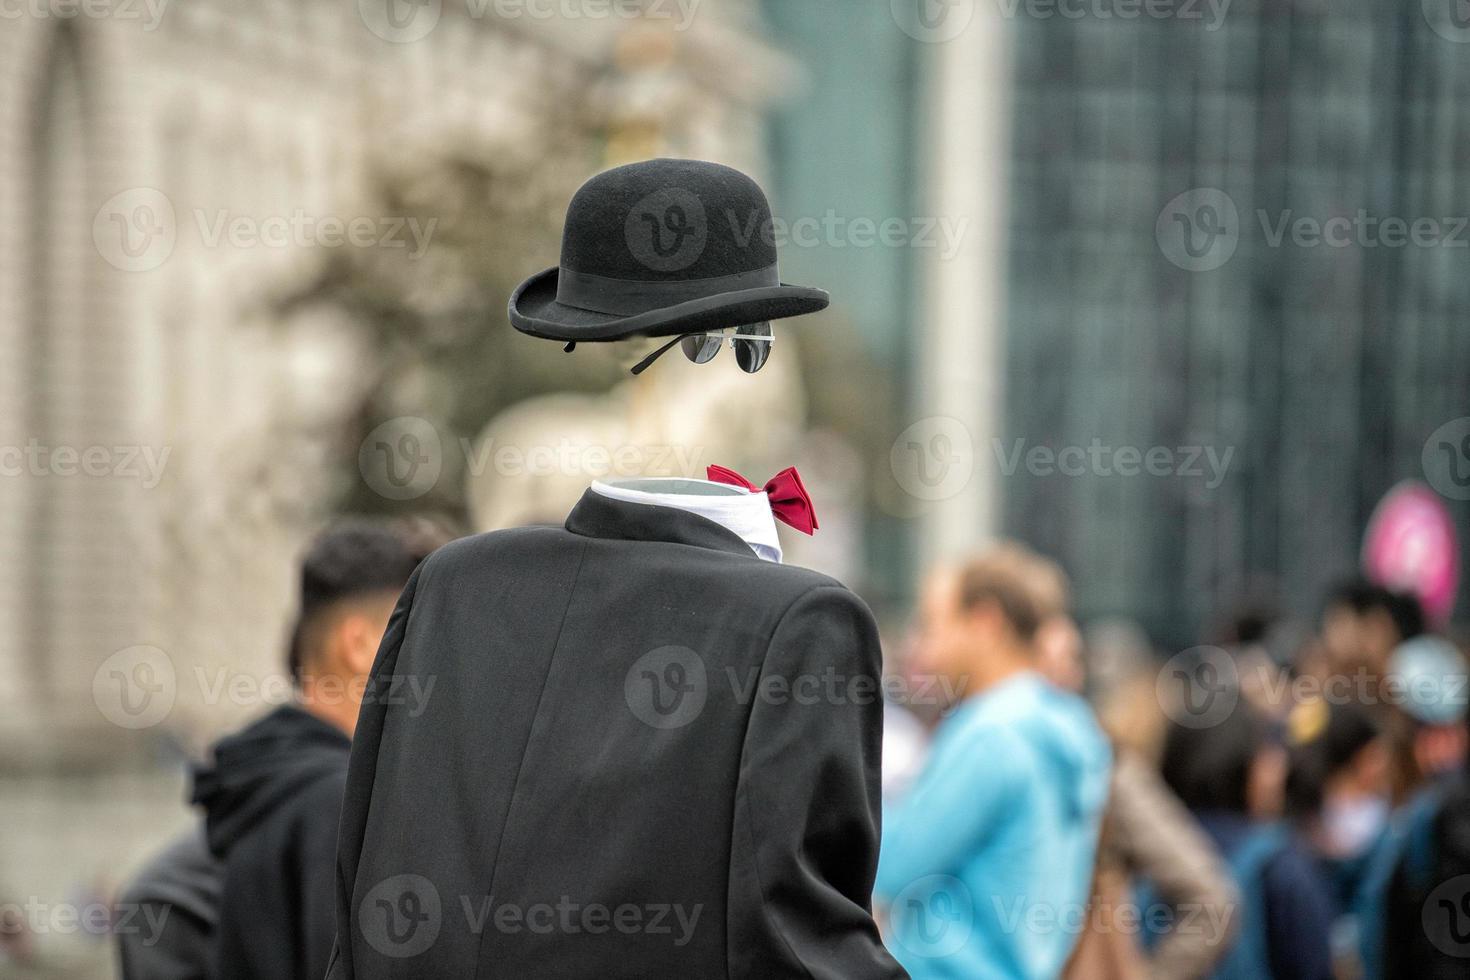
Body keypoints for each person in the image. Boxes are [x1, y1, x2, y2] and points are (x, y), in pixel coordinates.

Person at [187, 519, 440, 980]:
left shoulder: (266, 781)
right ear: (361, 644)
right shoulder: (340, 799)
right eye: (419, 629)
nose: (439, 657)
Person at [875, 548, 1111, 979]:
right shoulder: (1068, 725)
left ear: (985, 621)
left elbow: (891, 864)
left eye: (933, 623)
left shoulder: (992, 734)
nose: (921, 645)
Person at [1159, 690, 1334, 980]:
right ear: (1242, 764)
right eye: (1268, 754)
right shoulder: (1279, 864)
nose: (1278, 769)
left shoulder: (1147, 857)